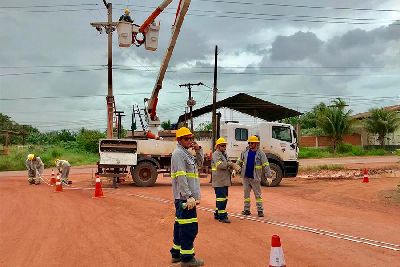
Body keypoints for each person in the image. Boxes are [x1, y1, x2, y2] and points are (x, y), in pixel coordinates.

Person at [170, 127, 204, 267]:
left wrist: (198, 150)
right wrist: (188, 196)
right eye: (186, 138)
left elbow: (200, 164)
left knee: (180, 227)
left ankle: (176, 255)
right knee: (189, 228)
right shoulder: (179, 154)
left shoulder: (187, 154)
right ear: (179, 140)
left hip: (186, 198)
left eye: (191, 138)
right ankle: (187, 259)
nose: (190, 141)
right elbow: (181, 176)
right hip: (185, 198)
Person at [236, 135, 272, 217]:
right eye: (250, 143)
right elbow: (239, 161)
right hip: (246, 177)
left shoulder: (261, 154)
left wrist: (269, 176)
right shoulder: (245, 152)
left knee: (258, 195)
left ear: (256, 144)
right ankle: (246, 210)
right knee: (246, 195)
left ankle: (260, 211)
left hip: (255, 178)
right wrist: (235, 169)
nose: (250, 144)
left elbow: (266, 165)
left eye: (252, 143)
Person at [211, 137, 238, 224]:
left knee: (221, 198)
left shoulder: (224, 154)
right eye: (222, 145)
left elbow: (228, 164)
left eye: (225, 145)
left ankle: (217, 213)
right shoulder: (216, 154)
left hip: (224, 180)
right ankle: (222, 216)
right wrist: (231, 164)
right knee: (222, 199)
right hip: (219, 181)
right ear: (218, 146)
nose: (224, 147)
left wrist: (233, 168)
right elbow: (219, 165)